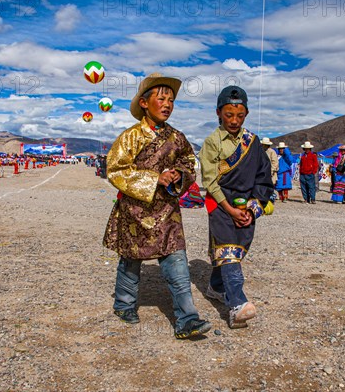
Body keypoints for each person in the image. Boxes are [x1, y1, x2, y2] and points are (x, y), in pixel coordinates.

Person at [103, 72, 211, 339]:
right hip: (136, 211)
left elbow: (188, 162)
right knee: (131, 260)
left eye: (171, 100)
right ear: (143, 103)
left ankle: (187, 319)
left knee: (177, 261)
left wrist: (179, 175)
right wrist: (154, 179)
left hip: (167, 211)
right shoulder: (130, 137)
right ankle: (124, 304)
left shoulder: (177, 137)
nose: (167, 104)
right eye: (161, 99)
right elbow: (116, 170)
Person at [199, 86, 274, 329]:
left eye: (239, 116)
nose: (234, 120)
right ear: (218, 113)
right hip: (221, 204)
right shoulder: (212, 142)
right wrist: (231, 210)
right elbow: (209, 182)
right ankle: (238, 305)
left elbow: (263, 178)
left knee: (234, 248)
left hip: (246, 206)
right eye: (228, 115)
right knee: (229, 250)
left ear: (246, 114)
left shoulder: (252, 143)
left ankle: (216, 287)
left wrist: (252, 209)